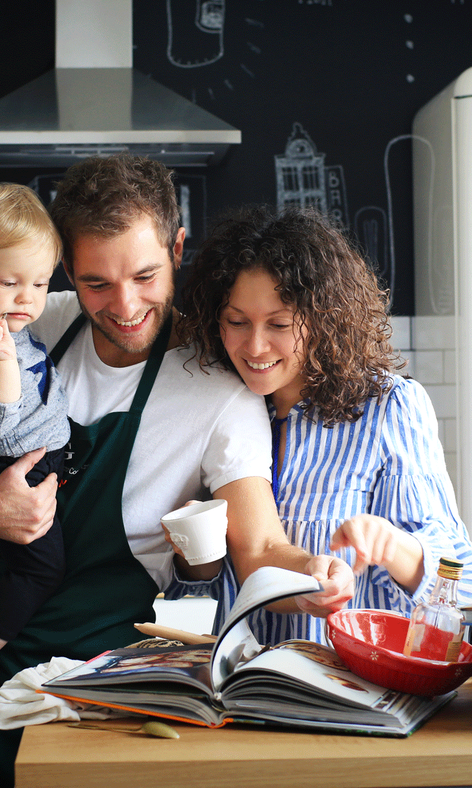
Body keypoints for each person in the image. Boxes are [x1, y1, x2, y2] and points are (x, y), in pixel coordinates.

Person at [0, 159, 353, 785]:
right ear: (66, 274)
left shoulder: (219, 390)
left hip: (98, 683)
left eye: (144, 275)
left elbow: (260, 546)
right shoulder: (35, 321)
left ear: (177, 247)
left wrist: (315, 574)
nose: (125, 304)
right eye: (96, 283)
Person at [175, 204, 472, 645]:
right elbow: (207, 601)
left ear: (322, 319)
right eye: (236, 322)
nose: (255, 346)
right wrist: (194, 564)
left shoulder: (388, 407)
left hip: (349, 691)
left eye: (279, 324)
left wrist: (392, 546)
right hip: (240, 693)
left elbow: (463, 585)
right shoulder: (216, 406)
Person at [0, 184, 70, 650]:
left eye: (41, 283)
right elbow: (4, 423)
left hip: (38, 465)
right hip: (17, 466)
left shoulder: (17, 327)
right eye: (10, 283)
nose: (27, 296)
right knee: (40, 567)